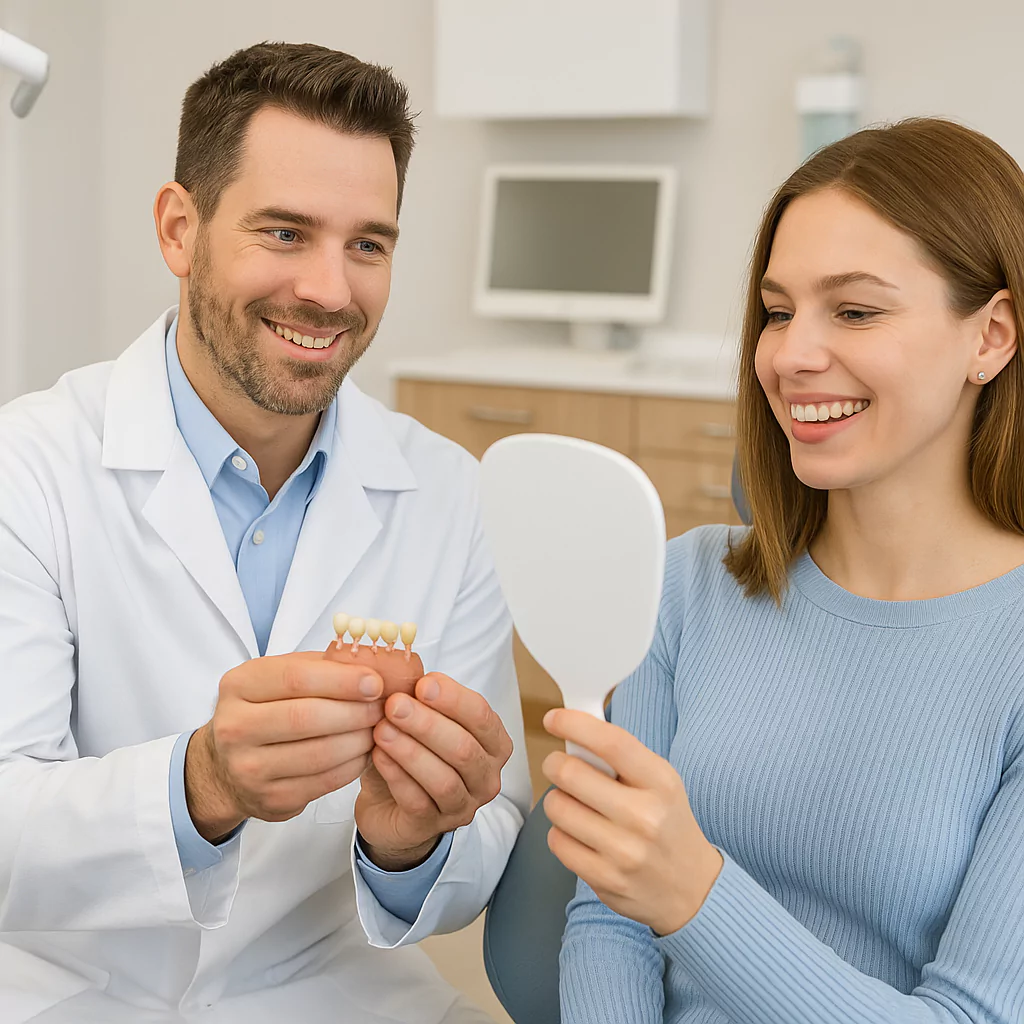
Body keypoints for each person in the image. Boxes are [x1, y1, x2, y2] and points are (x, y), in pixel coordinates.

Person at [0, 42, 530, 1024]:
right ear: (179, 228)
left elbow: (493, 821)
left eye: (367, 243)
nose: (331, 290)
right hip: (70, 996)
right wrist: (199, 783)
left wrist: (410, 843)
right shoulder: (26, 467)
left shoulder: (449, 494)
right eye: (285, 233)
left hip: (337, 995)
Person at [541, 117, 1024, 1023]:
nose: (791, 355)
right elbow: (608, 924)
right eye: (777, 310)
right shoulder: (683, 588)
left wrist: (696, 895)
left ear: (991, 336)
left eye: (856, 309)